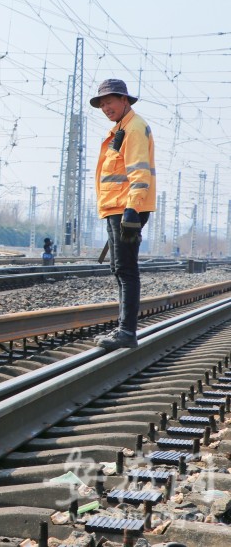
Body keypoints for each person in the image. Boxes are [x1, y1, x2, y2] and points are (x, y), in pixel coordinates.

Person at [89, 78, 155, 350]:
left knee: (126, 271)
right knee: (120, 269)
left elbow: (139, 171)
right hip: (118, 208)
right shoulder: (120, 130)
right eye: (102, 103)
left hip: (127, 208)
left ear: (124, 100)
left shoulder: (134, 128)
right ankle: (123, 330)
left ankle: (126, 333)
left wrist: (132, 209)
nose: (106, 107)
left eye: (110, 101)